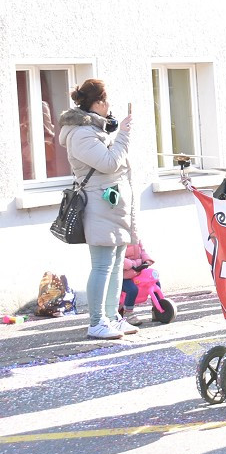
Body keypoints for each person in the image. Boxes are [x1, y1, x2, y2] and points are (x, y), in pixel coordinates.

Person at [58, 79, 137, 341]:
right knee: (102, 265)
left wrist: (117, 134)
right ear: (98, 103)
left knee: (115, 265)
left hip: (112, 205)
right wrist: (123, 133)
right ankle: (96, 322)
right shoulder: (81, 134)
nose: (110, 106)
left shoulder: (95, 130)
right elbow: (108, 163)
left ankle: (112, 317)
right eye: (107, 100)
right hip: (98, 205)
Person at [120, 243, 155, 325]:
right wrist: (132, 264)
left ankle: (158, 309)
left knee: (154, 282)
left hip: (138, 271)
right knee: (132, 289)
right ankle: (128, 313)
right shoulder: (120, 237)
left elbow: (142, 250)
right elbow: (117, 256)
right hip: (123, 275)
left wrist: (147, 260)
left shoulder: (135, 236)